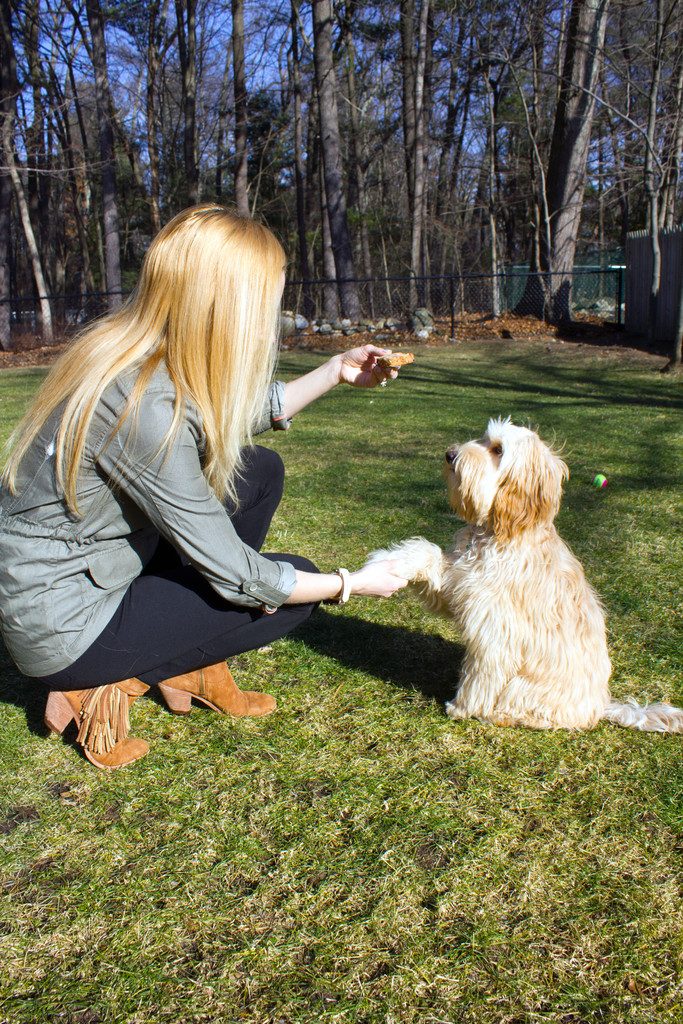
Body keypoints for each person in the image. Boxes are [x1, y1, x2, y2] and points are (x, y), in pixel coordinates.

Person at [0, 205, 409, 770]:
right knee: (288, 598)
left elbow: (228, 416)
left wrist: (336, 370)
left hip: (77, 575)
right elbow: (239, 573)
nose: (275, 322)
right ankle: (109, 684)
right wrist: (348, 583)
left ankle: (188, 664)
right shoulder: (142, 407)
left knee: (257, 471)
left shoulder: (134, 350)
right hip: (67, 626)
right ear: (225, 309)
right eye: (266, 305)